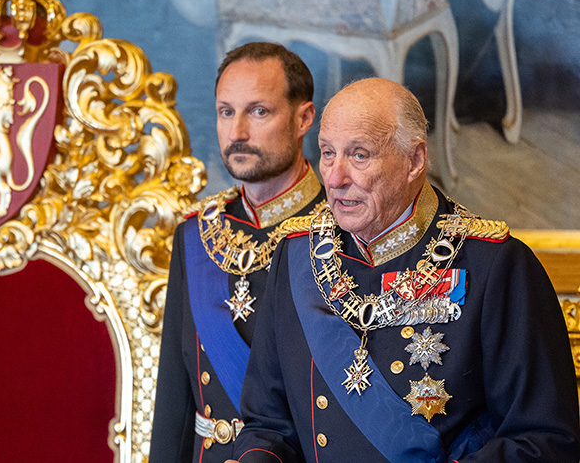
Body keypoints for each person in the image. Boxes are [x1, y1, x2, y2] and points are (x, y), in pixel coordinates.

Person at [228, 78, 580, 462]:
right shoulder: (296, 255)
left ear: (414, 160)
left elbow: (544, 439)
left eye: (359, 155)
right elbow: (268, 423)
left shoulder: (495, 265)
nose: (334, 178)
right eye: (328, 153)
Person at [149, 42, 326, 463]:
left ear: (304, 118)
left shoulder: (340, 231)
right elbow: (174, 398)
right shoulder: (195, 234)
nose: (238, 132)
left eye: (258, 111)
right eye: (226, 111)